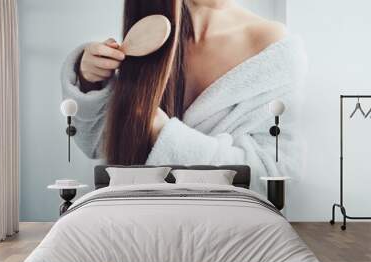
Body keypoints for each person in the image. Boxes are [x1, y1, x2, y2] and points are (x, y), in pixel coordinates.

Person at [61, 0, 307, 192]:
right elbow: (97, 145)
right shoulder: (146, 39)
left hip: (230, 234)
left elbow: (275, 176)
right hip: (139, 229)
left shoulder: (274, 49)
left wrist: (162, 133)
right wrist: (90, 81)